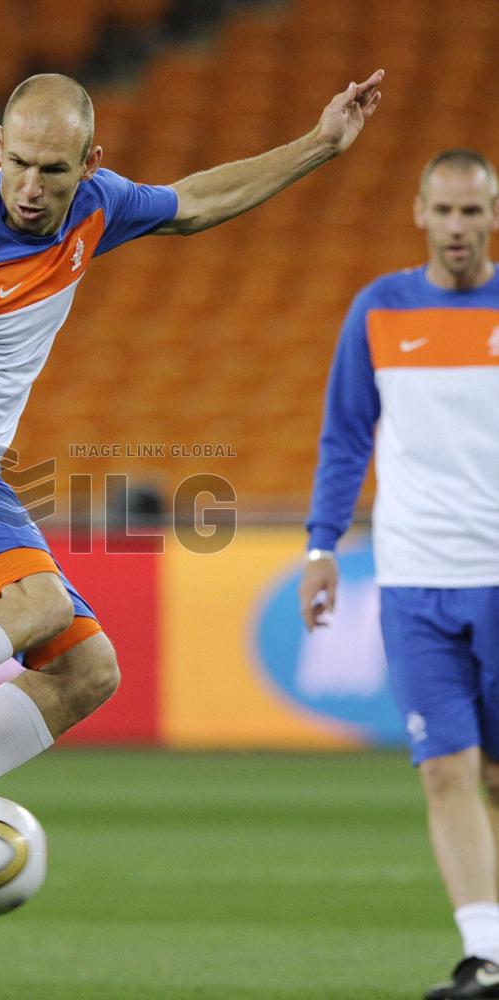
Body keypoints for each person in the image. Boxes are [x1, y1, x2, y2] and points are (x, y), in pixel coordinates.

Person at [0, 70, 384, 934]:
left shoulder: (98, 208)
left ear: (90, 164)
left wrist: (321, 144)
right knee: (35, 602)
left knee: (87, 671)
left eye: (54, 171)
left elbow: (196, 201)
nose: (32, 188)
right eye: (19, 164)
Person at [299, 149, 499, 999]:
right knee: (445, 769)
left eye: (473, 211)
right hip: (413, 581)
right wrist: (321, 546)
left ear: (494, 216)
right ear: (419, 212)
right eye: (444, 210)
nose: (457, 226)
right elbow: (346, 435)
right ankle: (487, 957)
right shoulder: (379, 309)